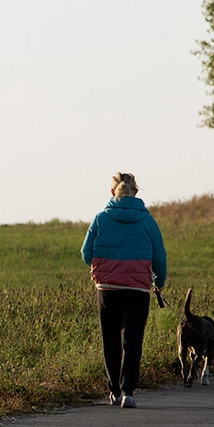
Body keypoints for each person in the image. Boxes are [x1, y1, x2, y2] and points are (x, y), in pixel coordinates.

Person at [80, 172, 167, 408]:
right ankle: (128, 392)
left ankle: (114, 391)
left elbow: (86, 254)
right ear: (136, 192)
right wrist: (160, 281)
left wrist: (106, 266)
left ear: (112, 192)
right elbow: (159, 256)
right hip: (138, 289)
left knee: (110, 340)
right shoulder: (148, 221)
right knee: (133, 340)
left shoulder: (100, 219)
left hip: (107, 288)